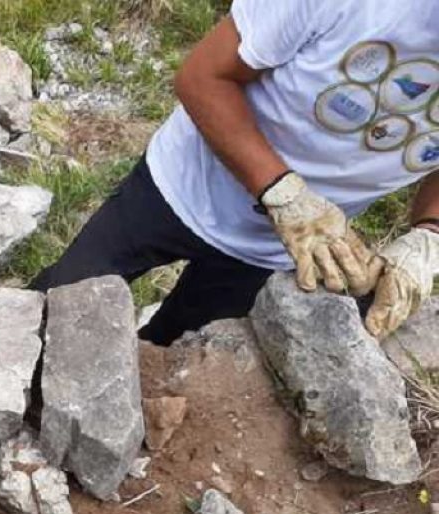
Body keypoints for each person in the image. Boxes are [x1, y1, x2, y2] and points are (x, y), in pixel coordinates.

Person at [32, 0, 439, 346]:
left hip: (284, 248)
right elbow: (203, 78)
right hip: (182, 187)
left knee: (173, 365)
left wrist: (428, 236)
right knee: (52, 322)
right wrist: (283, 193)